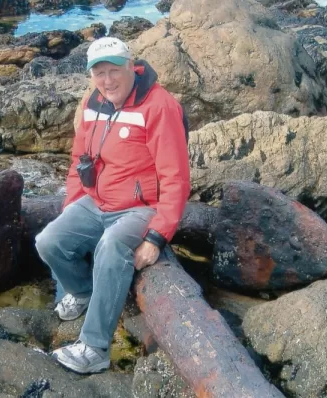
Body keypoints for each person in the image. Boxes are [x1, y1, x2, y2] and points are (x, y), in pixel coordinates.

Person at [35, 36, 191, 374]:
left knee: (111, 246)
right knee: (49, 241)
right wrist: (73, 205)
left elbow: (176, 178)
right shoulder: (94, 102)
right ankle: (83, 291)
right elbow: (81, 159)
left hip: (141, 207)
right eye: (99, 73)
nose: (108, 80)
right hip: (96, 202)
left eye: (114, 70)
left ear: (130, 66)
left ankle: (95, 348)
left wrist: (156, 238)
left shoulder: (159, 106)